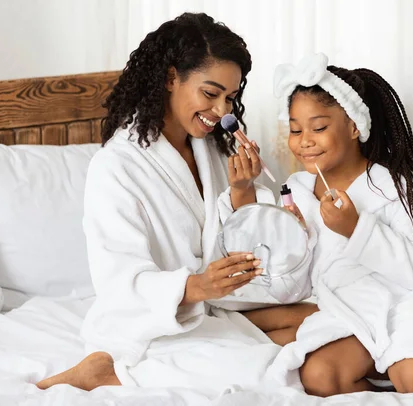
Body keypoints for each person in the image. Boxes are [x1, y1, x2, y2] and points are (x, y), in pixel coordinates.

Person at [36, 13, 284, 395]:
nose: (222, 111)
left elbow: (234, 239)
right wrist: (197, 286)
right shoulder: (116, 166)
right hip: (155, 323)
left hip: (222, 305)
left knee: (326, 322)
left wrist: (243, 190)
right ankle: (111, 371)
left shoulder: (214, 149)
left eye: (230, 98)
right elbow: (119, 281)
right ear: (171, 78)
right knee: (274, 374)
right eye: (210, 93)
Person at [223, 53, 413, 396]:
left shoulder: (394, 185)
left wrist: (356, 228)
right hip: (352, 313)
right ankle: (384, 372)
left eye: (318, 128)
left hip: (411, 306)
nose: (304, 140)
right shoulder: (298, 192)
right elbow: (291, 290)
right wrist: (292, 242)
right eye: (295, 129)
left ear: (353, 126)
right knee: (318, 376)